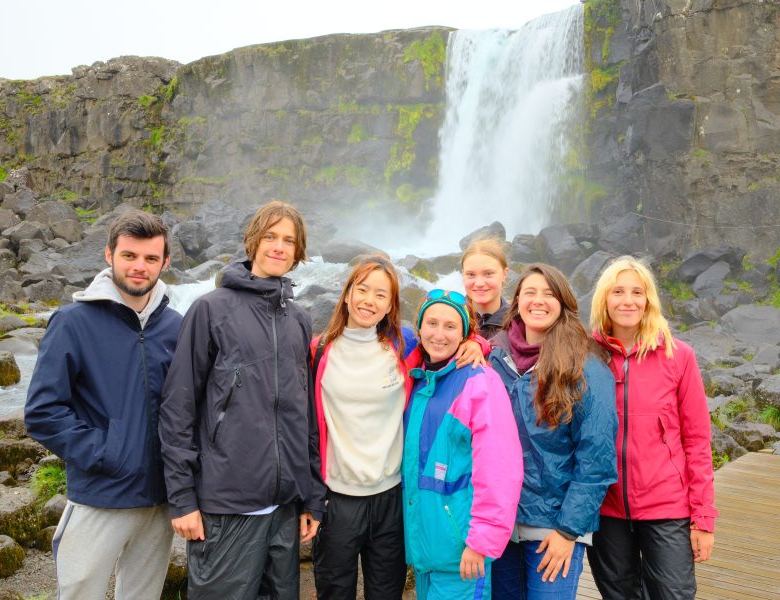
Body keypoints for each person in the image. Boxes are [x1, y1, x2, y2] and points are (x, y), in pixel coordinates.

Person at [159, 200, 325, 599]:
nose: (279, 247)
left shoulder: (298, 319)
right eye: (270, 236)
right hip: (227, 505)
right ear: (253, 241)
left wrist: (312, 497)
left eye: (289, 240)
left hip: (283, 507)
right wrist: (182, 500)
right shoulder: (210, 310)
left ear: (298, 252)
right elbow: (177, 408)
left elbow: (304, 415)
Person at [24, 210, 181, 600]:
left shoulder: (177, 326)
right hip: (100, 496)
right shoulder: (73, 322)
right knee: (80, 594)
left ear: (165, 262)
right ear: (109, 255)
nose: (139, 267)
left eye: (150, 258)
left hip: (160, 500)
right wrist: (108, 454)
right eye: (129, 256)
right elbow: (43, 412)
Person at [311, 255, 487, 600]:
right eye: (362, 290)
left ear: (391, 304)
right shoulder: (318, 351)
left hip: (391, 496)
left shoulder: (402, 344)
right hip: (338, 498)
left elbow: (443, 342)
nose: (369, 301)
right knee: (333, 591)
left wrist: (475, 343)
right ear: (347, 294)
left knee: (387, 591)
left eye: (381, 294)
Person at [587, 255, 717, 599]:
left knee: (673, 594)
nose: (627, 300)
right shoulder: (587, 355)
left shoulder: (678, 355)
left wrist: (703, 518)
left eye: (636, 292)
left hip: (666, 505)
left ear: (648, 300)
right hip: (606, 507)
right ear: (605, 299)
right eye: (618, 291)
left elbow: (698, 441)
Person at [488, 263, 617, 599]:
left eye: (548, 293)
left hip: (553, 528)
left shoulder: (586, 365)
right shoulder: (496, 357)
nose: (538, 301)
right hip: (501, 522)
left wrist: (568, 531)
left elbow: (597, 457)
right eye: (529, 292)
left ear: (563, 302)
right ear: (516, 302)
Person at [403, 289, 523, 599]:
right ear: (418, 329)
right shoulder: (418, 378)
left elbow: (499, 470)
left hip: (462, 553)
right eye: (431, 323)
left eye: (450, 326)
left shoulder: (478, 382)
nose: (439, 334)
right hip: (426, 553)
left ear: (464, 334)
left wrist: (481, 541)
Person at [461, 238, 510, 339]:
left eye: (488, 274)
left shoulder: (518, 323)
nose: (479, 283)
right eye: (471, 274)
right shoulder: (450, 317)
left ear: (505, 274)